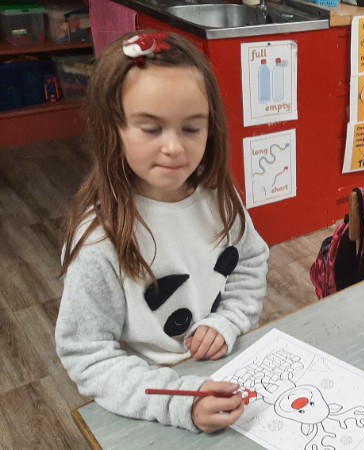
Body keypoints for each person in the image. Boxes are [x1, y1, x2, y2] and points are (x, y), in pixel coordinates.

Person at [55, 31, 269, 433]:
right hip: (150, 405)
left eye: (191, 129)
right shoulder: (98, 241)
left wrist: (226, 321)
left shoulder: (221, 198)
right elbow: (88, 355)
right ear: (112, 129)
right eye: (151, 129)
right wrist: (178, 401)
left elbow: (250, 261)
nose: (174, 147)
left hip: (222, 373)